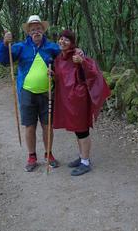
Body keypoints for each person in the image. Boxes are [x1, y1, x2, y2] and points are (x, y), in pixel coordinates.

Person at [0, 15, 60, 172]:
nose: (36, 31)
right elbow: (4, 60)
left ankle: (48, 154)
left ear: (43, 30)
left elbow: (64, 63)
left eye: (38, 28)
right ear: (29, 32)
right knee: (30, 126)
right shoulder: (20, 47)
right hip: (26, 93)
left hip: (47, 93)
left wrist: (56, 72)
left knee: (48, 125)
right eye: (32, 29)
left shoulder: (52, 48)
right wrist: (5, 43)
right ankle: (32, 156)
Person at [53, 30, 111, 176]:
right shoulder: (59, 58)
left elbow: (93, 73)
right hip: (67, 100)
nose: (62, 41)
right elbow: (62, 77)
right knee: (76, 129)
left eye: (66, 39)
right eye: (61, 39)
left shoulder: (77, 55)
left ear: (72, 42)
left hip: (79, 99)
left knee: (82, 129)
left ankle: (85, 162)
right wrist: (52, 75)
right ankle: (82, 157)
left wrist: (83, 62)